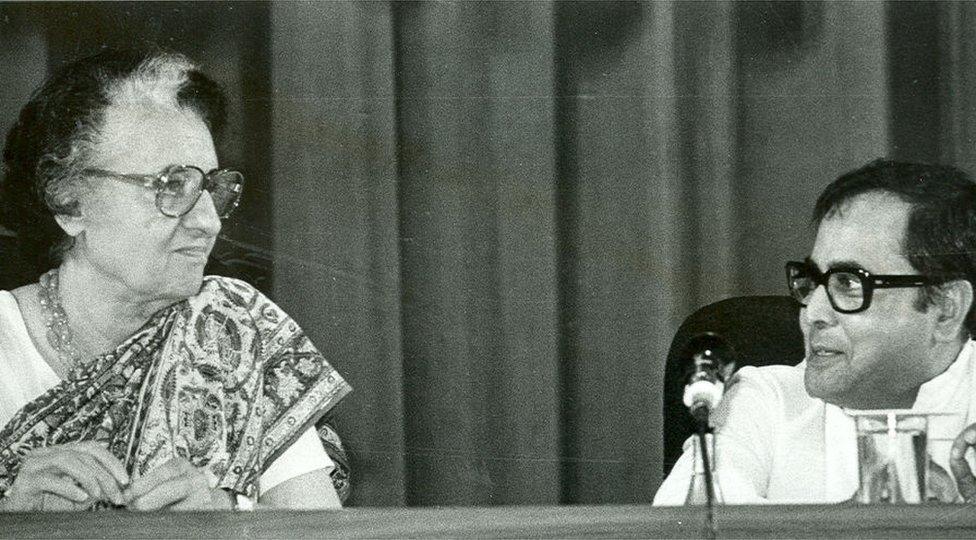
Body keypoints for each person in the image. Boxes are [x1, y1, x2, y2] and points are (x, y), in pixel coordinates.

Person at [0, 49, 352, 511]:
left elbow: (322, 531)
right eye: (170, 185)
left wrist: (226, 515)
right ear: (69, 203)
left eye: (211, 188)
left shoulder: (232, 330)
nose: (209, 223)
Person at [655, 159, 976, 504]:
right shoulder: (766, 400)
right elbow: (683, 527)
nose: (813, 313)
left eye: (849, 283)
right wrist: (857, 528)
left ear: (946, 309)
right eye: (814, 281)